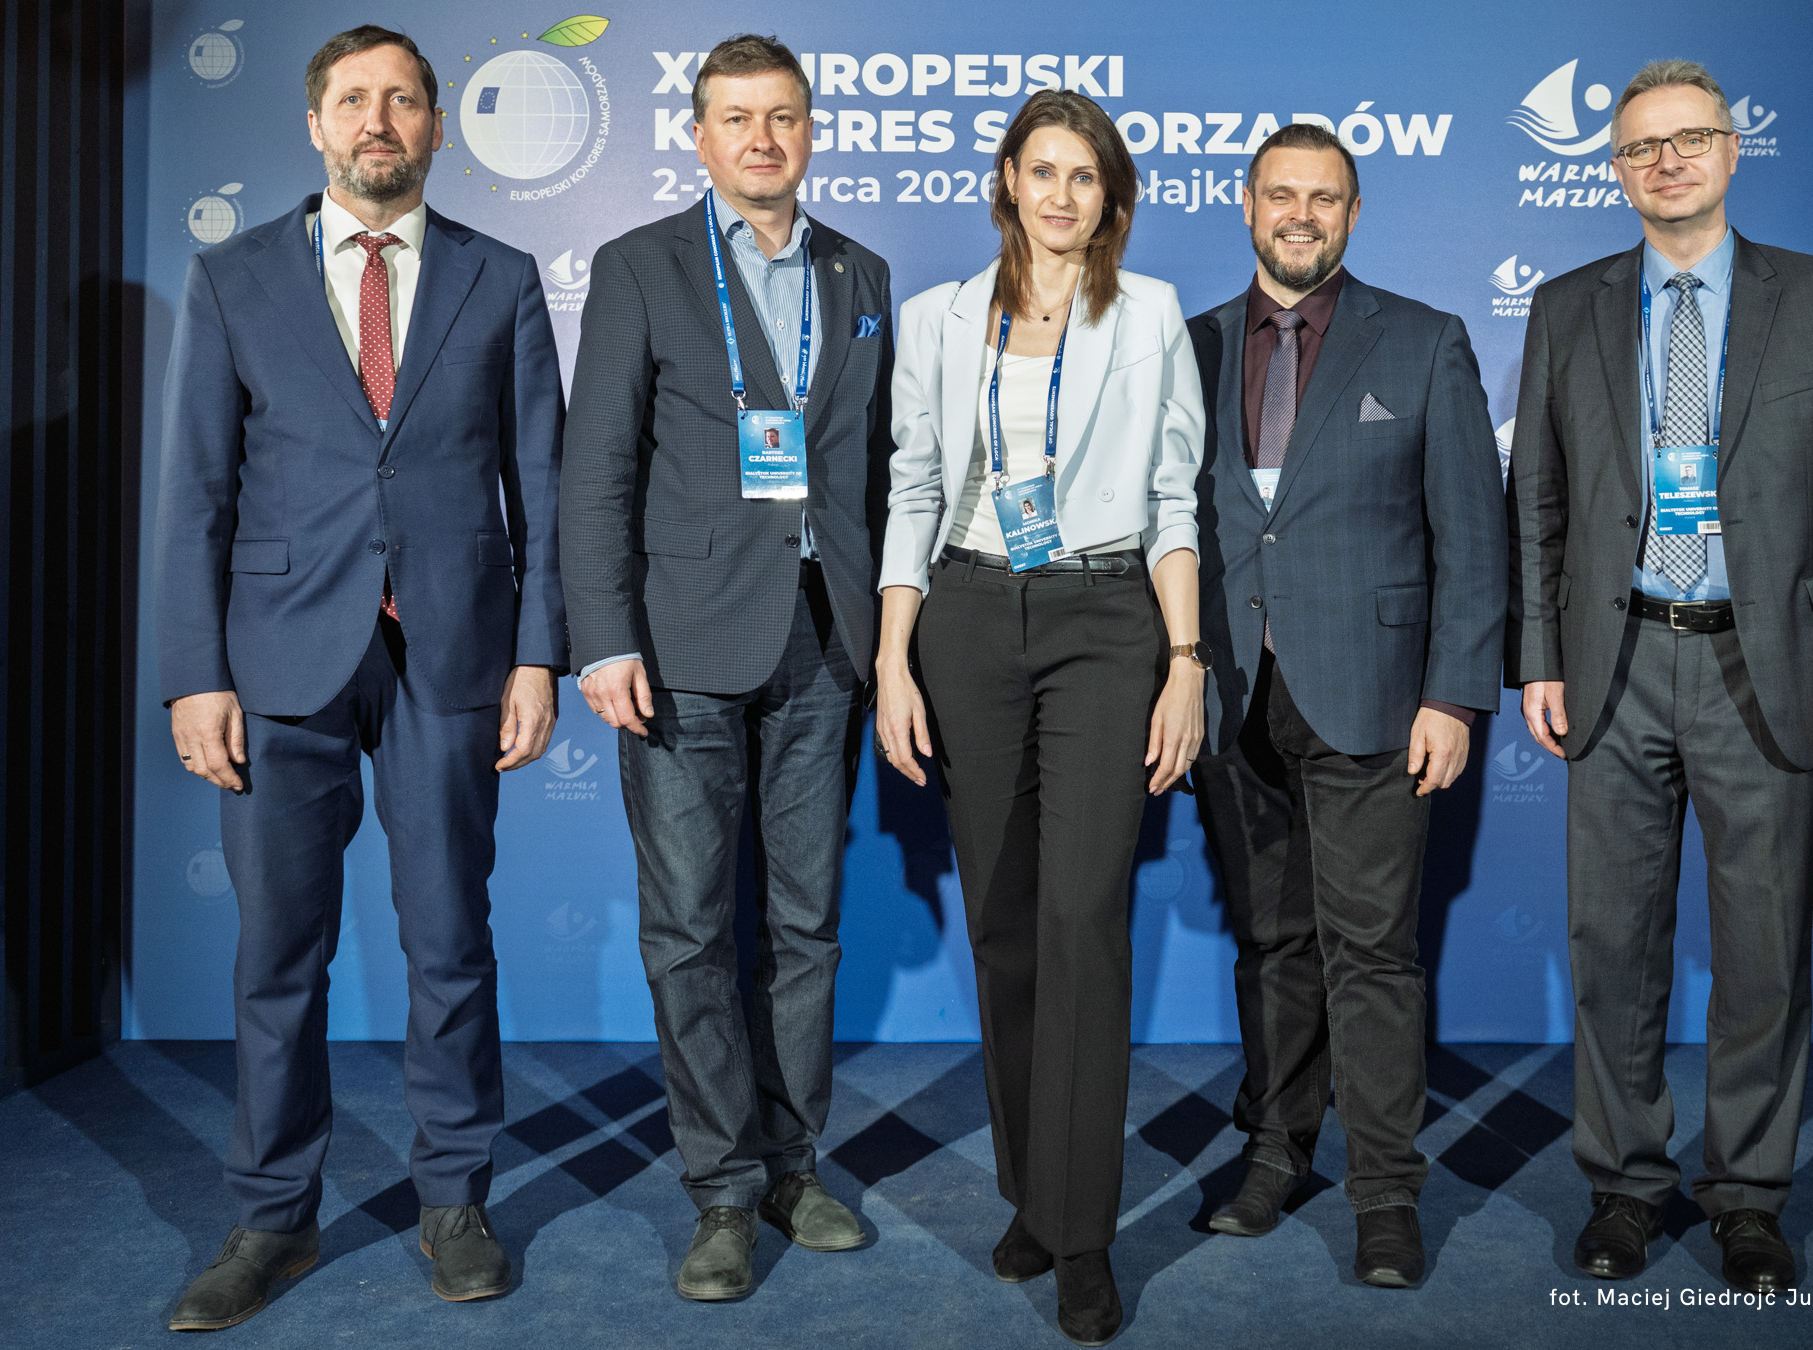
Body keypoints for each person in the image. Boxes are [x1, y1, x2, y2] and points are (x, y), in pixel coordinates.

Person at [156, 25, 565, 1328]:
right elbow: (194, 494)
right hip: (279, 661)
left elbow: (543, 488)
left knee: (449, 943)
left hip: (452, 653)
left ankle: (455, 1201)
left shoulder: (501, 278)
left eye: (401, 100)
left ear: (436, 125)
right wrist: (194, 675)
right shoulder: (230, 278)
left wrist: (538, 653)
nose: (376, 120)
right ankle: (273, 1216)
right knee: (280, 955)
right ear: (316, 125)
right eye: (352, 100)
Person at [1507, 61, 1813, 1294]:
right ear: (1616, 170)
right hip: (1615, 663)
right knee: (1612, 948)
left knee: (1764, 954)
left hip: (1766, 665)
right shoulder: (1566, 306)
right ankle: (1625, 1188)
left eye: (1689, 140)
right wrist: (1537, 656)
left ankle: (1748, 1199)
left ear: (1733, 151)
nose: (1667, 162)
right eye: (1641, 148)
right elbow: (1538, 506)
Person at [557, 34, 893, 1302]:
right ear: (697, 136)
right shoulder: (640, 265)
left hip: (825, 640)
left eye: (784, 117)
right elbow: (596, 470)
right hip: (681, 646)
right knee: (692, 928)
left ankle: (797, 1166)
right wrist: (604, 637)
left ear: (811, 133)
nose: (762, 139)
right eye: (737, 118)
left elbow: (872, 468)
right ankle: (722, 1190)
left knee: (806, 927)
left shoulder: (861, 272)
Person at [873, 89, 1204, 1346]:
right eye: (1043, 170)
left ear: (1111, 198)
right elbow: (911, 488)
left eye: (1086, 176)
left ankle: (1084, 1232)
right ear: (1008, 179)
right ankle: (1031, 1194)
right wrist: (894, 659)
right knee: (1005, 924)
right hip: (966, 618)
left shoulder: (1150, 312)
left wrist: (1186, 658)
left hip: (1106, 621)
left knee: (1081, 920)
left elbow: (1173, 497)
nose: (1062, 195)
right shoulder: (936, 318)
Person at [1185, 123, 1507, 1287]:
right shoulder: (1189, 345)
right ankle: (1274, 1153)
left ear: (1354, 214)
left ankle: (1384, 1191)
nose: (1301, 215)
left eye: (1324, 198)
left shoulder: (1424, 340)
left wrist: (1455, 695)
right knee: (1271, 943)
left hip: (1375, 697)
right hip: (1231, 695)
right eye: (1281, 194)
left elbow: (1472, 536)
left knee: (1371, 953)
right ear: (1247, 205)